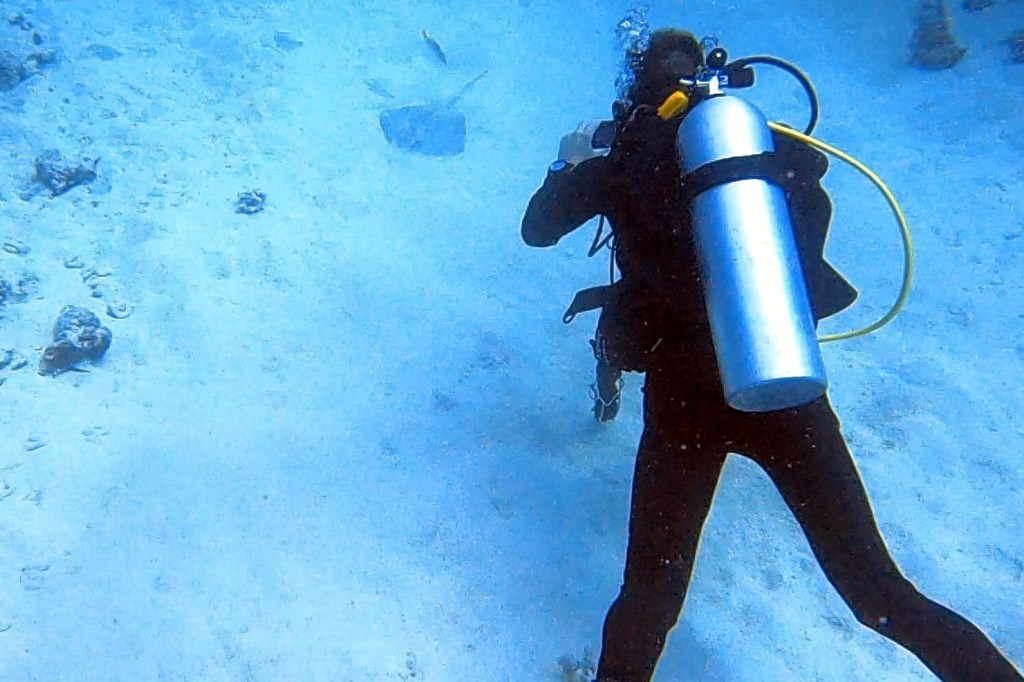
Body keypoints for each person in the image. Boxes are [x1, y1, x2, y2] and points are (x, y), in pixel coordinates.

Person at [521, 28, 1023, 682]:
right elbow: (811, 238)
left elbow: (537, 229)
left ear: (636, 96)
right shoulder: (765, 149)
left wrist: (568, 163)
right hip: (782, 385)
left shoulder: (625, 160)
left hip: (684, 405)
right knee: (879, 594)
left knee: (649, 598)